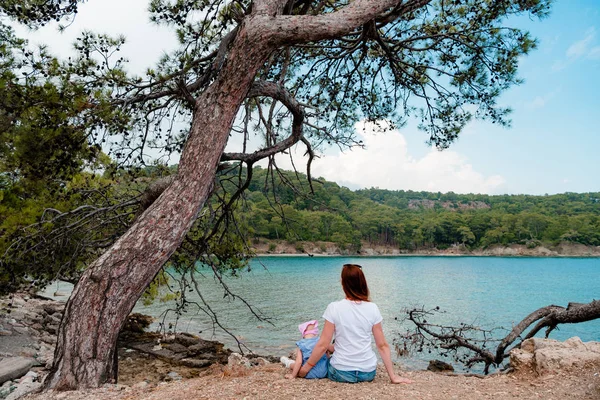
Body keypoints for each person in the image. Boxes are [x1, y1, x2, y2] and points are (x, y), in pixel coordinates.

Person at [298, 264, 413, 384]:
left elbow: (323, 344)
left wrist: (306, 368)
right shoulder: (373, 308)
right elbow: (382, 345)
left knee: (319, 352)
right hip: (367, 373)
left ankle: (291, 363)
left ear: (343, 284)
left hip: (341, 372)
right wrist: (393, 377)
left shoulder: (334, 308)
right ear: (362, 283)